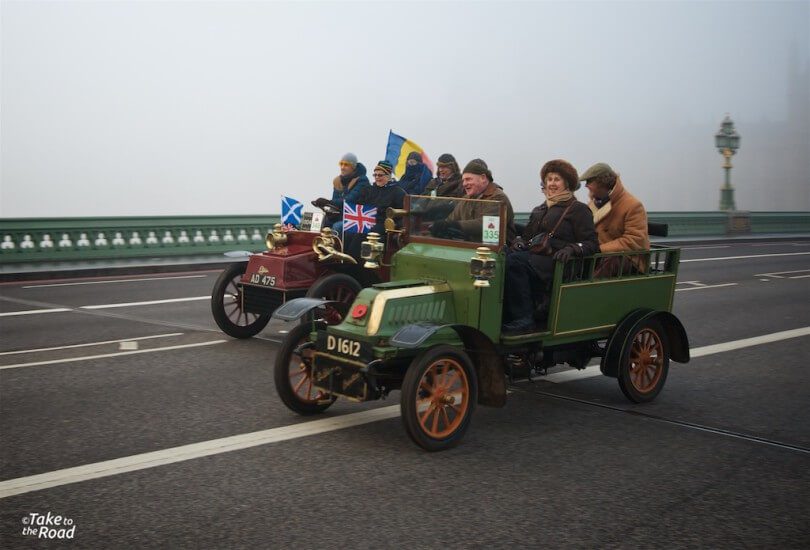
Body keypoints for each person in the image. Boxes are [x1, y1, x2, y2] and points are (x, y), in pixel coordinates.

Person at [502, 159, 599, 333]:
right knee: (504, 258)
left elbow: (591, 243)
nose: (552, 183)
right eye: (549, 179)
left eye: (557, 179)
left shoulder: (578, 209)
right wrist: (518, 242)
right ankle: (508, 313)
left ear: (567, 183)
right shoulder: (540, 209)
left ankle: (524, 319)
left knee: (515, 263)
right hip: (536, 258)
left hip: (560, 262)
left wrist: (571, 248)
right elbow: (527, 238)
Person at [580, 162, 650, 275]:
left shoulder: (633, 205)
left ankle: (587, 291)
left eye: (589, 181)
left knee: (611, 262)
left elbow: (634, 240)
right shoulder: (592, 205)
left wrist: (598, 249)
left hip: (627, 260)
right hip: (599, 257)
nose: (586, 186)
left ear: (602, 182)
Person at [431, 158, 516, 242]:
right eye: (463, 180)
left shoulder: (498, 198)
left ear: (483, 178)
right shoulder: (466, 199)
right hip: (471, 247)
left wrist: (455, 225)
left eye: (468, 179)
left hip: (496, 250)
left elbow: (484, 224)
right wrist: (439, 227)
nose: (464, 184)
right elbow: (451, 219)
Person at [340, 160, 405, 257]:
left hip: (383, 224)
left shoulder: (398, 192)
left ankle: (356, 262)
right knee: (346, 230)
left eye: (380, 175)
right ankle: (342, 258)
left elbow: (402, 214)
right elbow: (358, 206)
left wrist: (395, 226)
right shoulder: (369, 190)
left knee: (363, 235)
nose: (377, 178)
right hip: (366, 220)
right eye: (375, 175)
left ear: (388, 176)